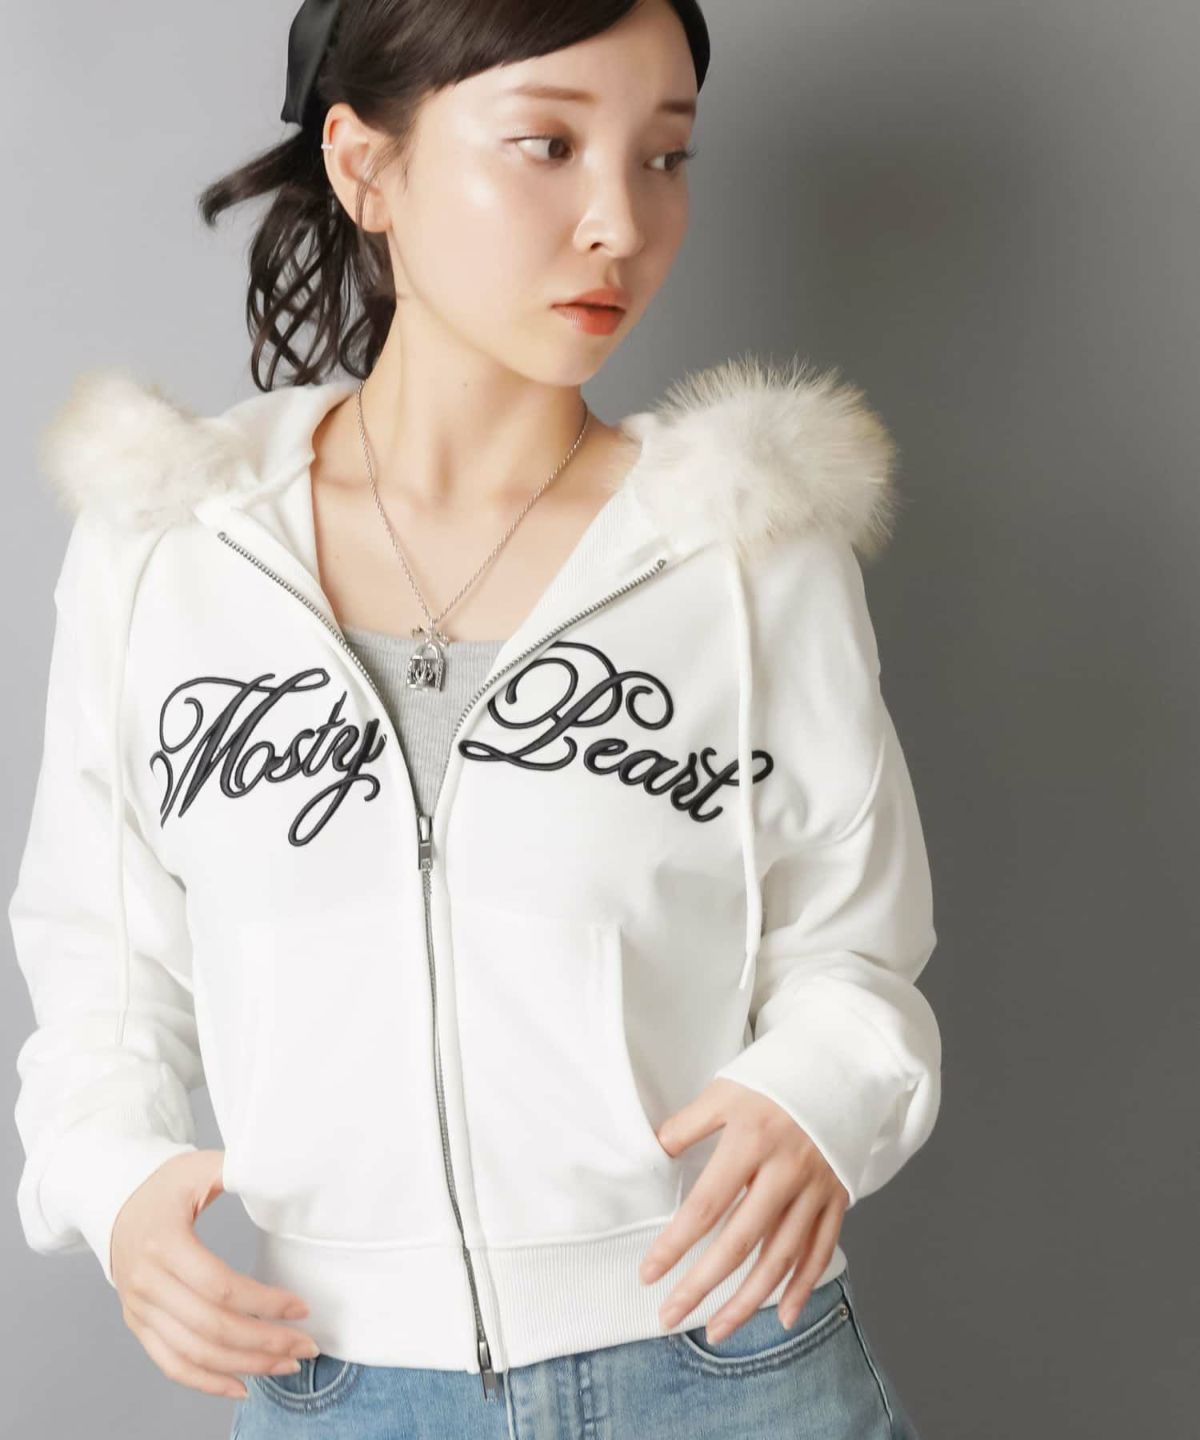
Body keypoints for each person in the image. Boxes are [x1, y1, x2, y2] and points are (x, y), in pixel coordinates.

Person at [9, 1, 940, 1436]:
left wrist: (821, 1095)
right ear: (365, 166)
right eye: (547, 145)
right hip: (334, 1379)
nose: (619, 222)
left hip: (723, 1361)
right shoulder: (169, 549)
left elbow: (855, 944)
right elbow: (102, 960)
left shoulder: (748, 547)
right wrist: (117, 1183)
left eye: (665, 157)